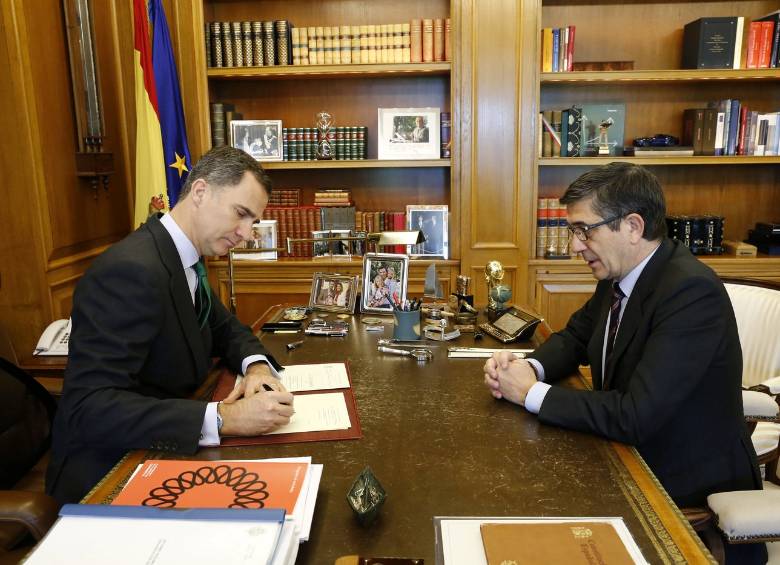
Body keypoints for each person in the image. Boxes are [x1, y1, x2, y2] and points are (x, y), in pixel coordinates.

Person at [482, 163, 765, 563]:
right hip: (625, 453)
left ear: (633, 226)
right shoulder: (621, 275)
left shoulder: (690, 292)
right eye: (572, 232)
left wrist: (530, 394)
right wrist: (531, 367)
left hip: (679, 479)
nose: (574, 246)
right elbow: (576, 336)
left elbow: (635, 414)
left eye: (585, 231)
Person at [46, 146, 295, 505]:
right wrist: (224, 418)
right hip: (109, 472)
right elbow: (90, 408)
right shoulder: (130, 270)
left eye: (253, 222)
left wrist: (255, 367)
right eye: (241, 214)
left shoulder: (187, 258)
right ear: (200, 192)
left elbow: (225, 328)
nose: (246, 233)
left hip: (163, 451)